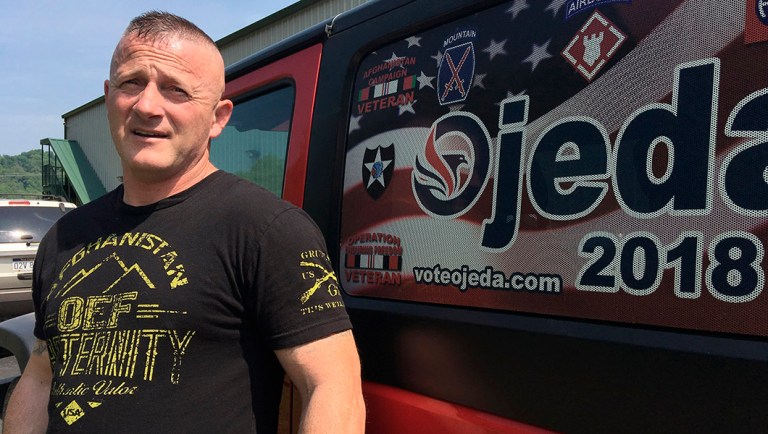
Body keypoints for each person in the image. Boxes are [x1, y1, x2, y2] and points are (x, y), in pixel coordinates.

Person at [4, 11, 365, 433]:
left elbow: (333, 387)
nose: (146, 106)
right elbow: (41, 376)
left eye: (176, 90)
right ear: (108, 96)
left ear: (218, 118)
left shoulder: (266, 229)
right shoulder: (65, 236)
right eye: (131, 82)